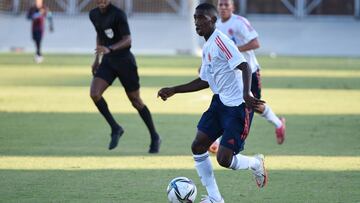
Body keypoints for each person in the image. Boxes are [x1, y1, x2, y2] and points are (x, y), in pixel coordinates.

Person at [158, 3, 267, 202]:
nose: (197, 23)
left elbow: (244, 66)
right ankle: (216, 198)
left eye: (202, 18)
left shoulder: (221, 41)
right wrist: (174, 90)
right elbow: (204, 80)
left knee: (224, 159)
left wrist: (246, 95)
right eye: (195, 18)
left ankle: (255, 163)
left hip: (237, 108)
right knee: (198, 145)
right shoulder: (207, 45)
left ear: (213, 20)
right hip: (219, 103)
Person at [208, 0, 286, 153]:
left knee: (253, 105)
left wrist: (234, 49)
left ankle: (279, 124)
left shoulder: (240, 23)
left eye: (226, 4)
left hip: (249, 70)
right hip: (231, 73)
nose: (223, 7)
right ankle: (217, 141)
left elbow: (256, 43)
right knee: (225, 101)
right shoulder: (216, 26)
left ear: (233, 7)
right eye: (220, 5)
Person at [89, 0, 161, 153]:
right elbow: (100, 35)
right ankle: (115, 128)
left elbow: (128, 40)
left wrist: (110, 48)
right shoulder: (93, 14)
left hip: (125, 62)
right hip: (108, 62)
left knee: (135, 100)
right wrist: (97, 59)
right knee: (95, 93)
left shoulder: (118, 14)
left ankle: (154, 136)